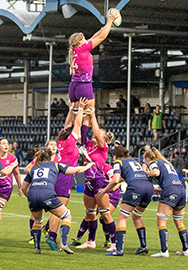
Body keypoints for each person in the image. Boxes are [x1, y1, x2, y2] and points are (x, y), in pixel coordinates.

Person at [21, 147, 95, 254]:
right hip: (47, 194)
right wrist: (88, 165)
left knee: (37, 221)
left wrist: (31, 197)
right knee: (66, 215)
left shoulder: (33, 168)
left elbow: (23, 188)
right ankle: (63, 243)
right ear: (51, 156)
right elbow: (77, 170)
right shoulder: (56, 165)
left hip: (32, 194)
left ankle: (37, 248)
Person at [68, 9, 120, 146]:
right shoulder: (83, 48)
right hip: (84, 86)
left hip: (73, 86)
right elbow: (101, 38)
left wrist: (106, 26)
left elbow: (96, 35)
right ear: (80, 41)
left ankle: (68, 140)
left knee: (73, 114)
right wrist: (110, 20)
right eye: (84, 38)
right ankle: (83, 144)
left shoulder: (75, 50)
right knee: (88, 115)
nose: (86, 39)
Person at [43, 98, 87, 251]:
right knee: (60, 209)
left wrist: (71, 109)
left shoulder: (60, 142)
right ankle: (52, 237)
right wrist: (80, 109)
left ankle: (49, 232)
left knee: (57, 208)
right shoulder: (69, 143)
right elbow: (77, 125)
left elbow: (67, 125)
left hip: (55, 177)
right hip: (63, 178)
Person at [70, 109, 116, 250]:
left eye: (100, 135)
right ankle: (91, 241)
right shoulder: (88, 145)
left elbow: (96, 133)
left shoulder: (103, 147)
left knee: (105, 214)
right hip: (88, 182)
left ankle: (114, 244)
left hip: (99, 182)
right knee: (90, 214)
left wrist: (94, 115)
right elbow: (83, 132)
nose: (96, 135)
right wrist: (85, 114)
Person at [98, 145, 154, 256]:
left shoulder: (118, 162)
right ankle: (143, 246)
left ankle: (118, 249)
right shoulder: (133, 160)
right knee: (137, 217)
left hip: (136, 188)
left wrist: (104, 190)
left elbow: (115, 179)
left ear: (114, 156)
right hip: (148, 187)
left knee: (122, 218)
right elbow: (130, 175)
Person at [142, 148, 188, 257]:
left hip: (171, 190)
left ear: (147, 158)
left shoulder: (154, 163)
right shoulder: (167, 164)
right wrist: (158, 189)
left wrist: (145, 171)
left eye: (145, 160)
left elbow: (156, 172)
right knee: (179, 223)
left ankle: (164, 251)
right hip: (180, 190)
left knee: (161, 221)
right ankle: (185, 249)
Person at [24, 140, 59, 244]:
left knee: (55, 212)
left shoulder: (58, 159)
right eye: (51, 145)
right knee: (36, 214)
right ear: (47, 147)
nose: (53, 147)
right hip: (38, 187)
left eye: (55, 145)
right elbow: (27, 169)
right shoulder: (39, 159)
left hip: (51, 188)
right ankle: (32, 236)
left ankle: (48, 231)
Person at [0, 137, 22, 242]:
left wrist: (20, 187)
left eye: (7, 143)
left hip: (5, 187)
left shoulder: (12, 158)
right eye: (3, 143)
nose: (6, 145)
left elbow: (16, 173)